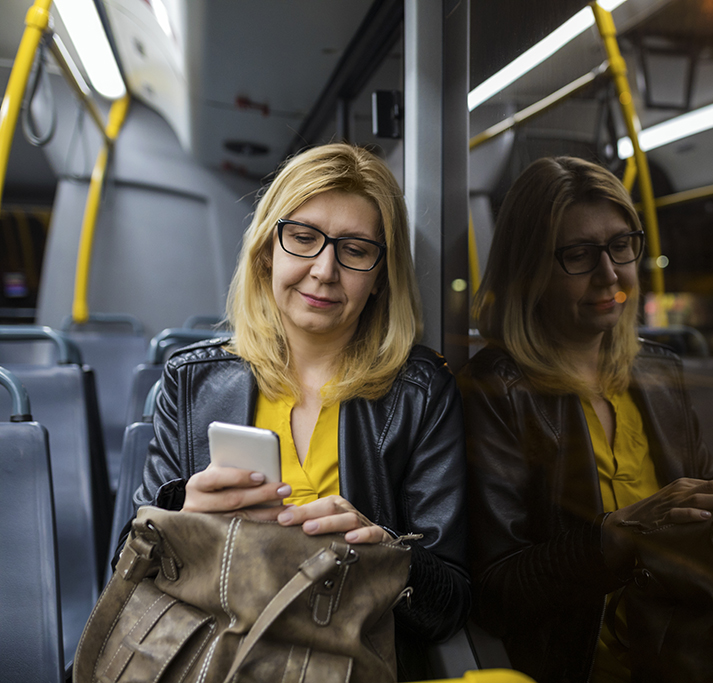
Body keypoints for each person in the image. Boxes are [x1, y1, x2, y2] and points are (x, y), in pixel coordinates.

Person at [132, 143, 470, 672]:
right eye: (304, 238)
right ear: (268, 249)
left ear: (380, 276)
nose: (324, 270)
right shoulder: (191, 381)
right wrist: (182, 515)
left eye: (355, 249)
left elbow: (449, 604)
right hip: (214, 658)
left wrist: (383, 554)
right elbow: (127, 573)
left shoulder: (421, 393)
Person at [458, 156, 713, 683]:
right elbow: (496, 592)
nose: (609, 274)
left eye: (621, 246)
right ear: (528, 269)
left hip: (680, 649)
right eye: (578, 254)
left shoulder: (658, 371)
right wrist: (612, 539)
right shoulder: (497, 390)